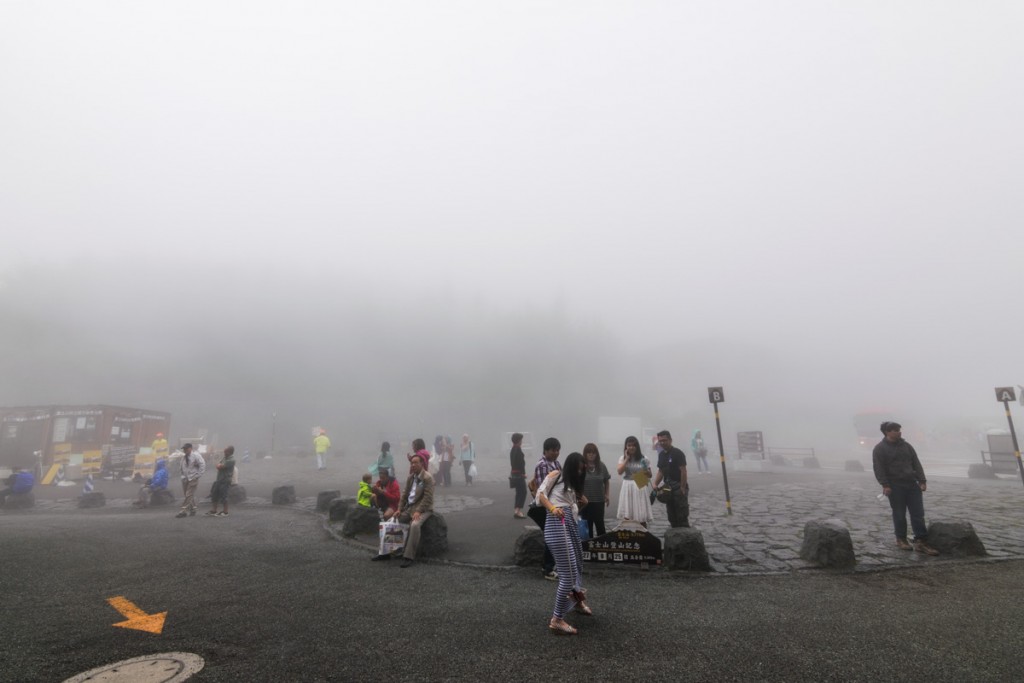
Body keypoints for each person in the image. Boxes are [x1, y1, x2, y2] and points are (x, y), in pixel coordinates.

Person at [536, 451, 592, 635]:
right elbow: (541, 494)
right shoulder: (556, 474)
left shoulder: (573, 486)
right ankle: (557, 619)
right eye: (578, 468)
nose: (579, 472)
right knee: (567, 575)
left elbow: (572, 508)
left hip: (569, 525)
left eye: (582, 470)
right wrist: (553, 509)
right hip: (557, 525)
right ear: (571, 465)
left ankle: (576, 601)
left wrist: (581, 502)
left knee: (576, 565)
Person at [872, 421, 939, 555]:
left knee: (918, 514)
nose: (899, 432)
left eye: (899, 429)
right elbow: (879, 468)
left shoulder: (907, 446)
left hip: (912, 484)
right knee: (899, 513)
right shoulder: (879, 449)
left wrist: (922, 480)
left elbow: (916, 463)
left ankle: (921, 541)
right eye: (895, 430)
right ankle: (901, 539)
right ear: (887, 432)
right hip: (895, 485)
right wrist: (885, 485)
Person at [387, 452, 435, 568]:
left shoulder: (428, 478)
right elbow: (404, 495)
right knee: (393, 520)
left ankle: (408, 556)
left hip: (424, 509)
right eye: (411, 463)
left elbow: (428, 498)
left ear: (422, 463)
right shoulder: (410, 477)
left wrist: (418, 511)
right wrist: (399, 509)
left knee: (414, 525)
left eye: (415, 463)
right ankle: (390, 551)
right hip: (410, 507)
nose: (413, 465)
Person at [533, 437, 563, 581]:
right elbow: (542, 488)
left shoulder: (556, 463)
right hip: (548, 506)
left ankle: (549, 565)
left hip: (556, 504)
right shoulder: (542, 465)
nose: (556, 453)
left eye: (558, 450)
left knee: (554, 535)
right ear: (546, 450)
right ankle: (548, 569)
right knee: (551, 536)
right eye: (553, 450)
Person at [653, 430, 689, 528]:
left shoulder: (678, 453)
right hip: (667, 488)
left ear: (670, 440)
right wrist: (655, 483)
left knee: (681, 513)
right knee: (671, 513)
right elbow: (661, 471)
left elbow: (683, 470)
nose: (662, 443)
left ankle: (685, 536)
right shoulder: (661, 455)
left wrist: (682, 487)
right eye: (660, 441)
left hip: (678, 486)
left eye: (665, 440)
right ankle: (674, 533)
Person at [616, 436, 653, 528]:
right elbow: (620, 471)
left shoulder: (644, 458)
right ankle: (629, 536)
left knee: (641, 514)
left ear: (637, 447)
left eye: (633, 445)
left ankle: (644, 536)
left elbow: (650, 475)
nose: (631, 447)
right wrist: (627, 458)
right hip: (627, 486)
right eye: (629, 445)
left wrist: (646, 470)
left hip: (640, 485)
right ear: (626, 447)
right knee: (627, 515)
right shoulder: (622, 458)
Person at [580, 442, 610, 537]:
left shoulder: (601, 466)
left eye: (593, 452)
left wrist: (607, 495)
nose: (591, 454)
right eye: (589, 452)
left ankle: (602, 546)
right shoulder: (581, 467)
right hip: (584, 502)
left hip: (599, 501)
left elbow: (606, 481)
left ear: (597, 454)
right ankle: (587, 548)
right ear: (585, 454)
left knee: (600, 525)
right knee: (587, 526)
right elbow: (576, 482)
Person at [175, 443, 206, 518]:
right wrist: (182, 476)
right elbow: (181, 467)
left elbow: (202, 465)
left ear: (190, 448)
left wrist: (198, 475)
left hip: (193, 478)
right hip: (185, 478)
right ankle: (193, 509)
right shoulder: (184, 457)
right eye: (184, 449)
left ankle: (183, 511)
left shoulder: (196, 455)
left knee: (188, 494)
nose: (185, 450)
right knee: (188, 495)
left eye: (186, 448)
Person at [206, 446, 235, 517]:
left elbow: (220, 466)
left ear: (230, 452)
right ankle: (214, 510)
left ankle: (225, 512)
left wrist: (219, 465)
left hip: (225, 480)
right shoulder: (225, 458)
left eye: (226, 451)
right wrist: (219, 464)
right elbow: (219, 464)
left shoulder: (231, 460)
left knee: (224, 496)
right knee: (214, 494)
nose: (224, 453)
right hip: (219, 479)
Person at [509, 432, 528, 519]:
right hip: (518, 474)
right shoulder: (518, 449)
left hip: (514, 473)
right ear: (518, 440)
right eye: (521, 440)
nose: (522, 441)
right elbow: (520, 463)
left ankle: (517, 510)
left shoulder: (513, 449)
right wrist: (523, 473)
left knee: (518, 492)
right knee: (523, 492)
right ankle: (518, 511)